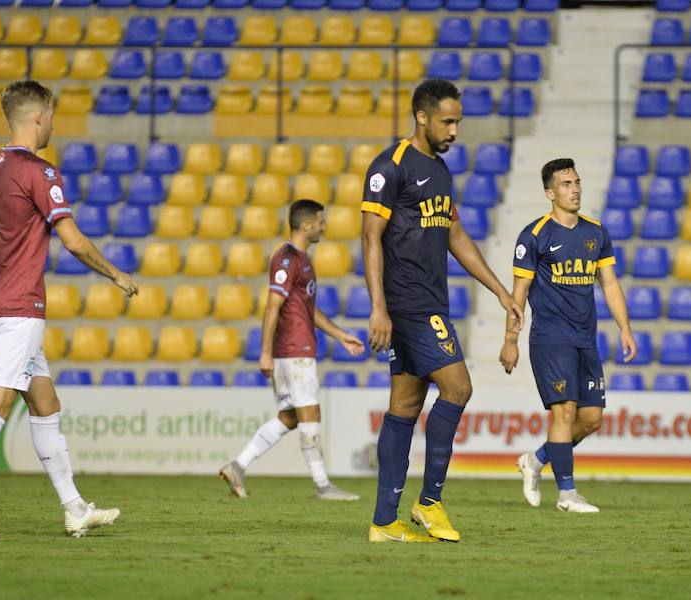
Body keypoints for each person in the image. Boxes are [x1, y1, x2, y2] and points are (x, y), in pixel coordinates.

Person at [0, 81, 139, 540]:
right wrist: (115, 274)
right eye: (53, 116)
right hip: (19, 305)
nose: (53, 125)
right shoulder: (39, 173)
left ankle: (74, 508)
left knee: (44, 403)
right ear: (39, 117)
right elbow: (73, 240)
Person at [361, 79, 524, 543]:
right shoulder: (389, 167)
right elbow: (370, 237)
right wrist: (379, 309)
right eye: (448, 121)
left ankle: (384, 523)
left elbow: (454, 235)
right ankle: (429, 502)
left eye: (458, 122)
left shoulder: (440, 170)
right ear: (422, 117)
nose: (454, 130)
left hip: (431, 299)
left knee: (406, 405)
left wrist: (498, 290)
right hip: (408, 303)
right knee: (457, 387)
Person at [502, 158, 637, 513]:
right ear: (550, 193)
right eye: (566, 184)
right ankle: (567, 494)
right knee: (564, 412)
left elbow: (609, 283)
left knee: (590, 419)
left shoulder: (596, 232)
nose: (574, 189)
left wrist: (625, 328)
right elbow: (519, 293)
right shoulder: (535, 236)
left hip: (585, 340)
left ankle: (534, 461)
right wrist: (510, 340)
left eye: (577, 182)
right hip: (550, 338)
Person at [220, 200, 363, 501]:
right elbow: (273, 305)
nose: (325, 226)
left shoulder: (302, 259)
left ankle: (238, 466)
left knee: (291, 416)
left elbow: (308, 309)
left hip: (294, 350)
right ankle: (323, 486)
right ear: (306, 225)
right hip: (294, 351)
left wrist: (341, 335)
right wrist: (264, 352)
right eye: (321, 221)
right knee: (311, 414)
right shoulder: (287, 260)